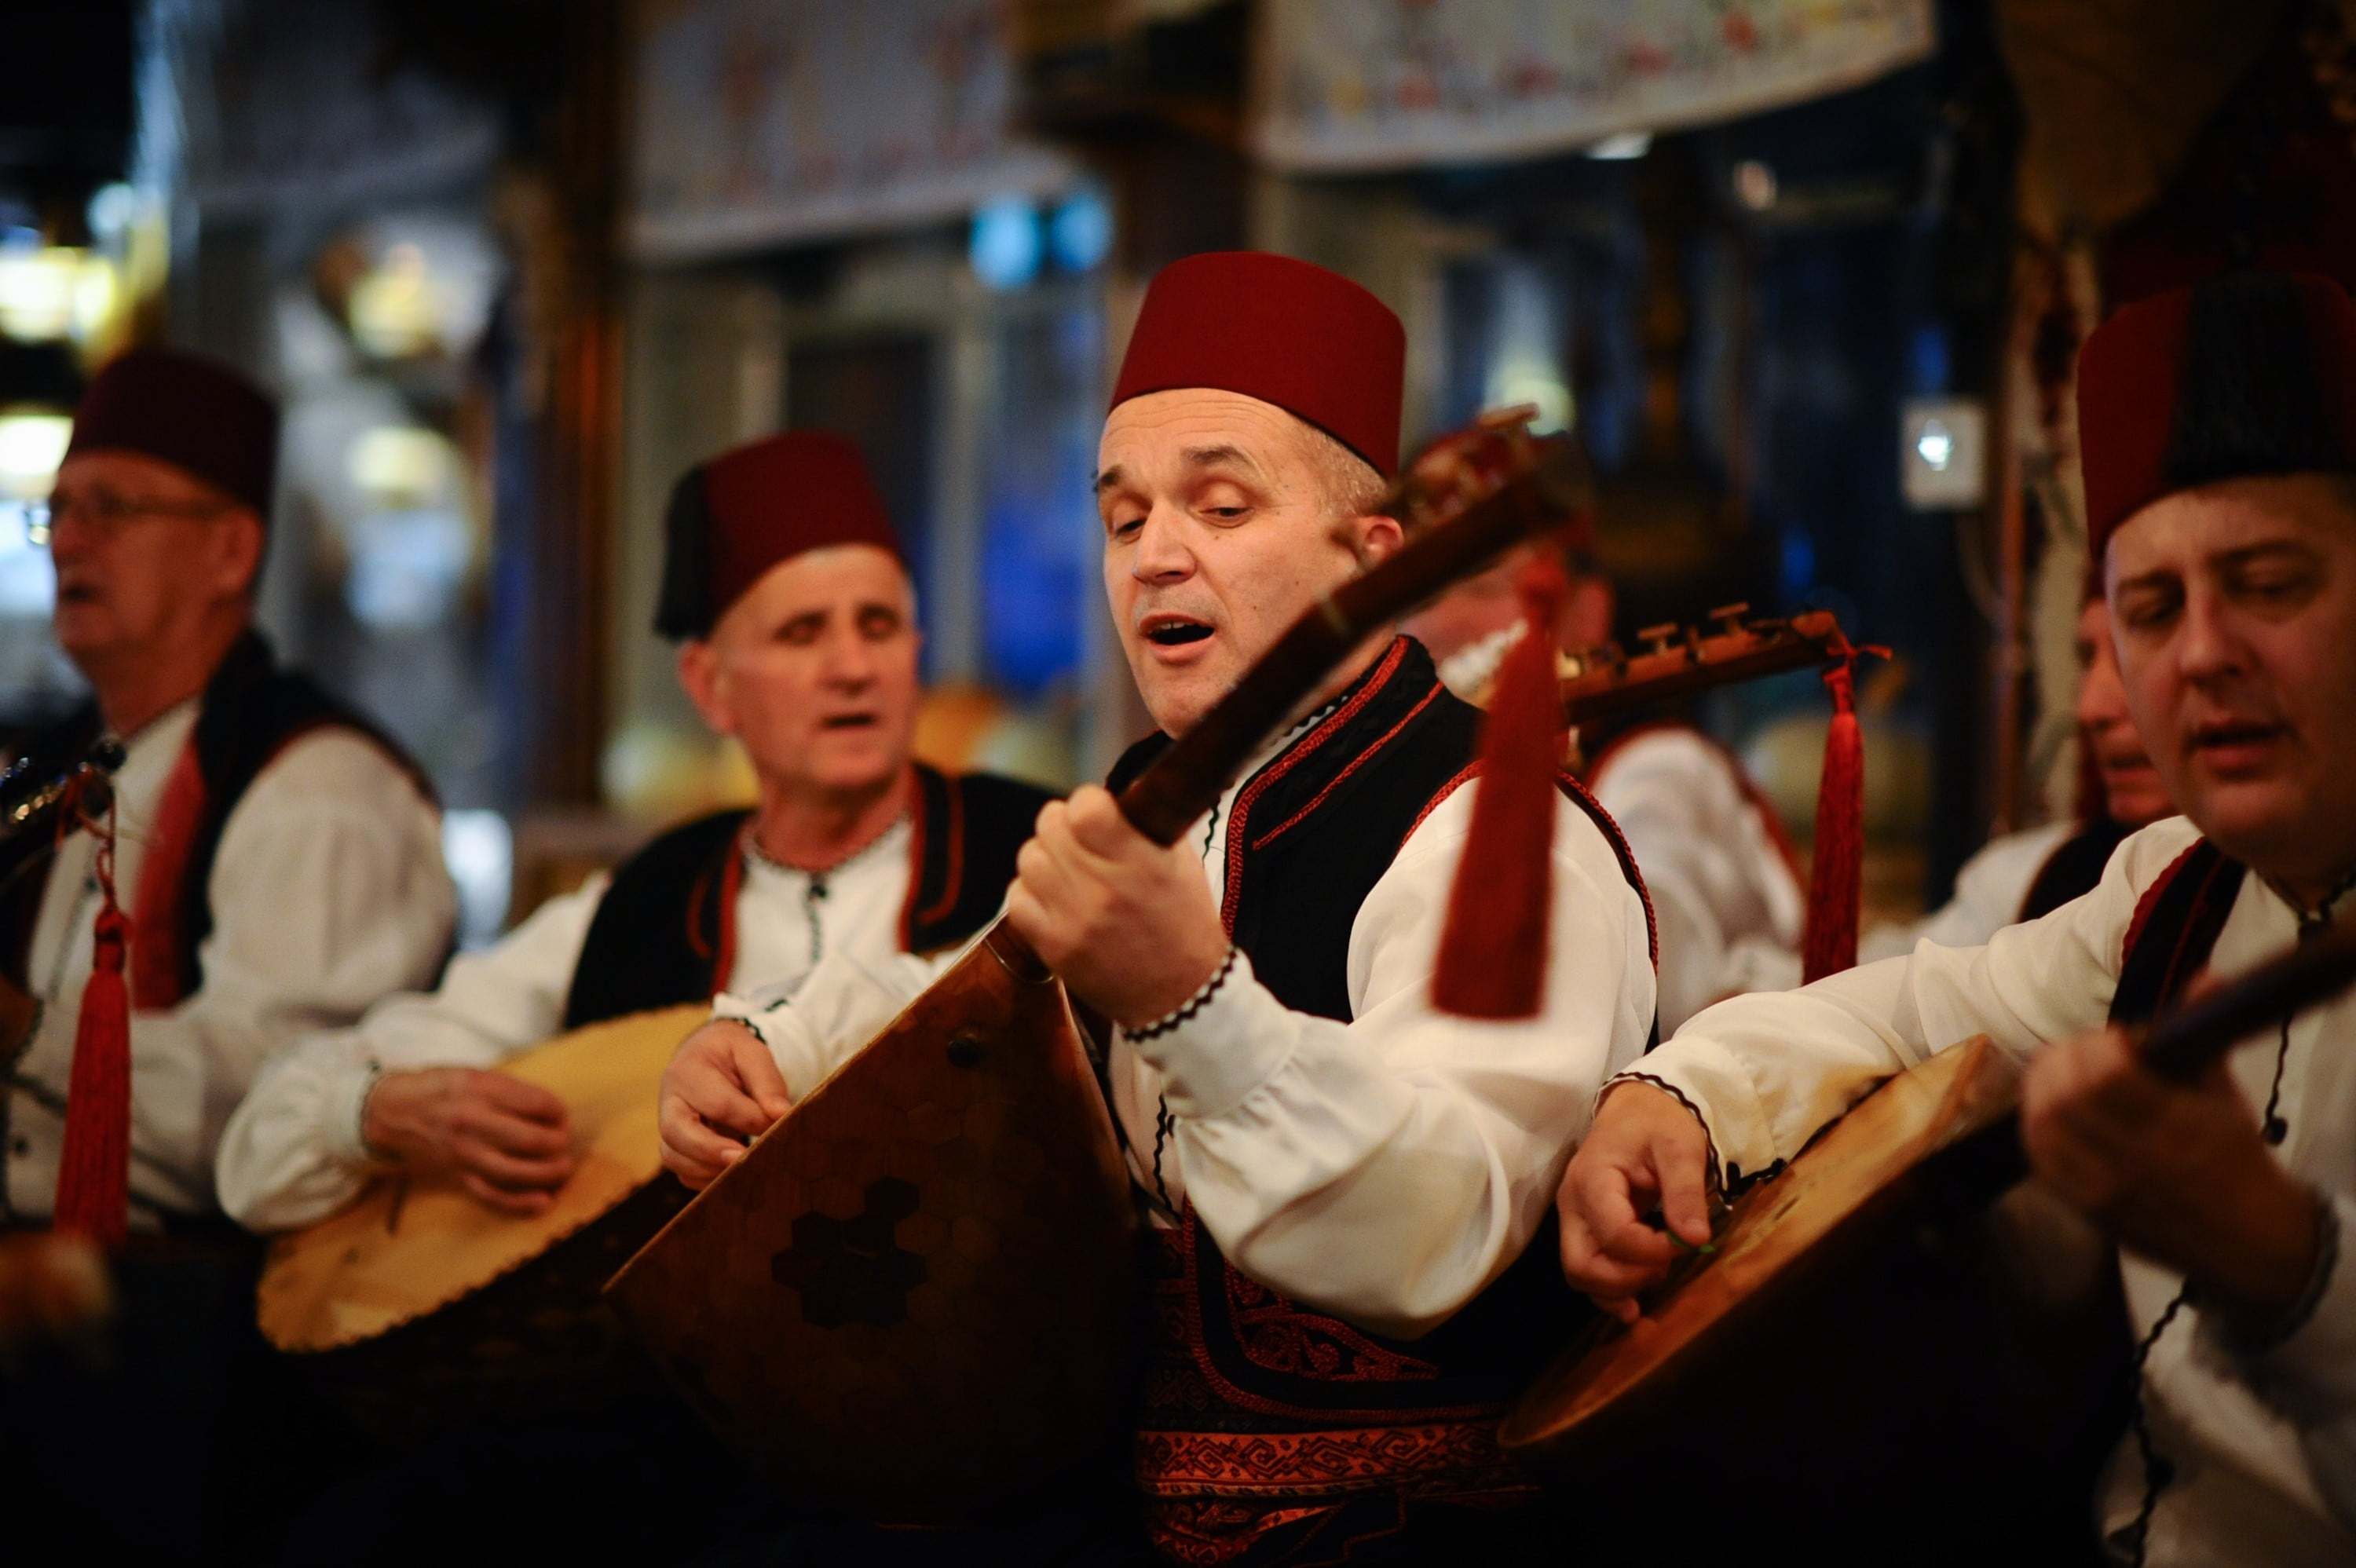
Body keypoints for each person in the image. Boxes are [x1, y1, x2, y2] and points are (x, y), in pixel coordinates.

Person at [659, 251, 1658, 1565]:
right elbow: (978, 989)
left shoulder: (1491, 831)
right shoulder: (1154, 802)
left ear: (1375, 557)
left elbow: (1441, 1224)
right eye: (1125, 519)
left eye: (1222, 504)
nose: (1156, 554)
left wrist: (1194, 1002)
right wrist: (774, 1043)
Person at [1558, 270, 2356, 1564]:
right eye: (2150, 609)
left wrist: (2287, 1264)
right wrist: (1680, 1095)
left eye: (2267, 584)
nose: (2202, 654)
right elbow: (1919, 1003)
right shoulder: (2176, 886)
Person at [218, 428, 1052, 1232]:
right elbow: (260, 1147)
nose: (851, 666)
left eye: (877, 625)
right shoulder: (641, 904)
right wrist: (375, 1111)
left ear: (915, 651)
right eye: (802, 632)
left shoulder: (1036, 852)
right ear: (709, 685)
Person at [0, 347, 452, 1557]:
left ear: (231, 552)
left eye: (118, 508)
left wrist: (21, 1037)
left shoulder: (320, 784)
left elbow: (277, 1108)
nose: (72, 540)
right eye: (62, 508)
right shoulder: (57, 770)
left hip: (206, 1367)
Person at [1409, 551, 1802, 1033]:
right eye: (1419, 597)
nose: (1437, 623)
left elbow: (1647, 991)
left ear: (1585, 612)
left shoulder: (1660, 771)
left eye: (1485, 589)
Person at [1860, 590, 2177, 958]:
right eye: (2088, 659)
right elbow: (1904, 974)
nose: (2090, 708)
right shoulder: (2032, 874)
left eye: (2129, 657)